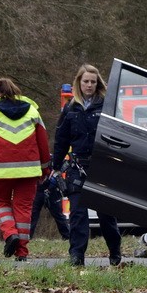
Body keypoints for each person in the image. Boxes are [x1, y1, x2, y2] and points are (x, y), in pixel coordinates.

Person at [0, 77, 51, 261]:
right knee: (23, 208)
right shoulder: (32, 110)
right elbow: (43, 142)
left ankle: (10, 234)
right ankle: (22, 252)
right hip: (28, 169)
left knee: (0, 203)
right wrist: (45, 168)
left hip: (0, 169)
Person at [52, 64, 121, 266]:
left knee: (106, 215)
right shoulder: (70, 108)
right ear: (79, 83)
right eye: (85, 81)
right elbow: (61, 140)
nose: (89, 85)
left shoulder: (107, 106)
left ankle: (115, 252)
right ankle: (76, 256)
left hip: (102, 166)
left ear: (97, 83)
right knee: (77, 214)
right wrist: (56, 167)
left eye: (92, 81)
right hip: (77, 167)